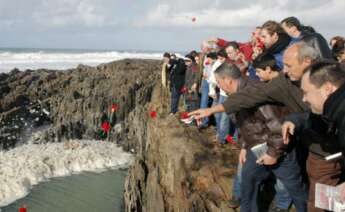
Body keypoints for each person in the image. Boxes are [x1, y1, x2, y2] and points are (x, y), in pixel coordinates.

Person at [213, 63, 307, 212]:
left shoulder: (256, 92)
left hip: (279, 148)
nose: (218, 86)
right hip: (256, 147)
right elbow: (244, 124)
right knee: (248, 180)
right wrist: (244, 146)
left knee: (294, 187)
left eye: (218, 82)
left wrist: (272, 154)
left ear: (227, 80)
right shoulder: (236, 96)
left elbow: (278, 126)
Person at [282, 61, 345, 211]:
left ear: (328, 89)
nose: (304, 99)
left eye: (306, 92)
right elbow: (311, 116)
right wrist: (294, 120)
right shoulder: (336, 108)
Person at [199, 52, 217, 128]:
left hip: (214, 84)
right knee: (203, 103)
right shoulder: (207, 64)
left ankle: (215, 124)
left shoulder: (217, 65)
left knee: (215, 104)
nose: (207, 59)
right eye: (207, 58)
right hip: (206, 82)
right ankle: (204, 122)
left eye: (209, 58)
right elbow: (204, 71)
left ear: (214, 59)